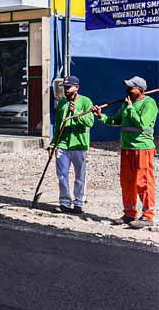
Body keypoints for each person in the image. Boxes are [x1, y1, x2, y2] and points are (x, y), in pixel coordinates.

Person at [92, 76, 156, 229]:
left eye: (131, 87)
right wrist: (101, 116)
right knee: (127, 182)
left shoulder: (149, 104)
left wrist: (130, 108)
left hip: (142, 148)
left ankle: (148, 216)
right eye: (127, 87)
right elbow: (115, 121)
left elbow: (142, 123)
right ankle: (129, 213)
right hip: (127, 148)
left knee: (144, 182)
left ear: (140, 90)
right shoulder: (128, 104)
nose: (127, 90)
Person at [50, 76, 94, 214]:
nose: (66, 90)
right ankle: (64, 202)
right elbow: (58, 126)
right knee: (62, 174)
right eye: (64, 87)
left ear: (77, 87)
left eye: (69, 87)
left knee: (80, 175)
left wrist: (76, 112)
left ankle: (78, 203)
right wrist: (53, 144)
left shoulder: (86, 101)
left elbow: (90, 122)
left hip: (79, 144)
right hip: (63, 143)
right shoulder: (62, 103)